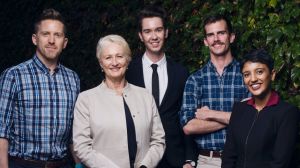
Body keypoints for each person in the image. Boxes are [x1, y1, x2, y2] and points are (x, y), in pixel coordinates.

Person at [0, 8, 80, 168]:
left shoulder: (73, 79)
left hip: (62, 164)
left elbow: (74, 131)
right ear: (35, 39)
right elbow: (1, 131)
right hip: (23, 164)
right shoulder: (14, 75)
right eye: (46, 34)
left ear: (64, 43)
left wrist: (79, 164)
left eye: (57, 35)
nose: (51, 40)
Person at [72, 34, 165, 168]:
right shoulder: (86, 99)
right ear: (101, 63)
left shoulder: (145, 96)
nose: (114, 62)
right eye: (108, 57)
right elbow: (81, 146)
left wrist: (146, 166)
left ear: (127, 60)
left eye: (119, 56)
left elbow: (158, 140)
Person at [126, 5, 198, 168]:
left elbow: (186, 116)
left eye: (158, 30)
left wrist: (190, 159)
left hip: (176, 158)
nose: (154, 36)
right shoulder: (128, 72)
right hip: (140, 158)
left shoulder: (181, 72)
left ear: (165, 32)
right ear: (140, 36)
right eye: (147, 31)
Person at [179, 14, 249, 168]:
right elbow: (188, 126)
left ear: (231, 37)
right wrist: (236, 118)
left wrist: (210, 114)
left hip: (242, 160)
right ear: (205, 41)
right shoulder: (195, 80)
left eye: (221, 33)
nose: (216, 39)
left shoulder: (247, 75)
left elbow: (256, 119)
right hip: (207, 161)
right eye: (211, 35)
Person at [221, 49, 300, 168]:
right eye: (247, 74)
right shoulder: (239, 109)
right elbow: (228, 157)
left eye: (259, 72)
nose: (252, 79)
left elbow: (280, 163)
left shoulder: (287, 113)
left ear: (272, 74)